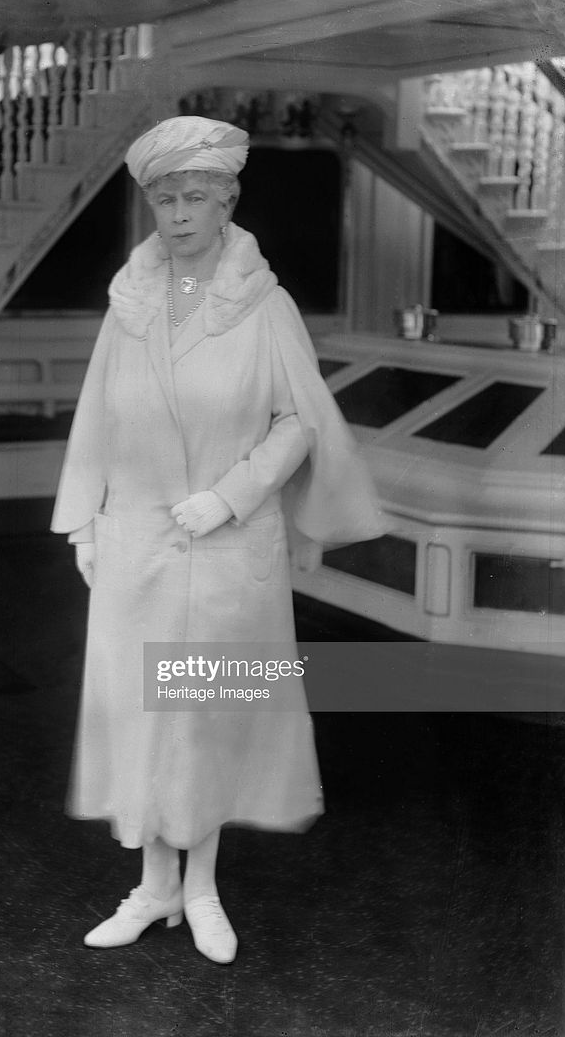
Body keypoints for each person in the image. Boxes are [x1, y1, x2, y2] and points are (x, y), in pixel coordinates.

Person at [51, 115, 384, 965]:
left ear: (228, 197)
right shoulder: (129, 302)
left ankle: (199, 889)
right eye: (164, 196)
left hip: (229, 546)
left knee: (208, 717)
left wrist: (230, 498)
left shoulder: (263, 303)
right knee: (143, 717)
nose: (178, 211)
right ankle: (153, 888)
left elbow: (298, 422)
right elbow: (96, 414)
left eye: (195, 194)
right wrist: (84, 519)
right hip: (137, 540)